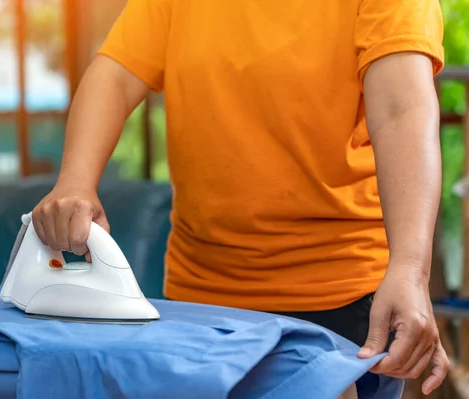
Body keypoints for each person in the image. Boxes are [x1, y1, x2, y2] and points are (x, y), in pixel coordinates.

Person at [32, 0, 449, 394]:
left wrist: (411, 267)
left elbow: (402, 110)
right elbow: (115, 75)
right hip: (198, 300)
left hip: (341, 299)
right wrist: (75, 180)